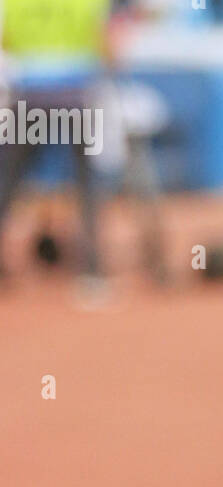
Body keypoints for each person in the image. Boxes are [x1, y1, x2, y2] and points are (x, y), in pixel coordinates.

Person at [0, 0, 112, 283]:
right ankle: (92, 270)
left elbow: (7, 44)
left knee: (7, 182)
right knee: (87, 184)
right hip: (76, 97)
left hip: (28, 99)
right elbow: (106, 46)